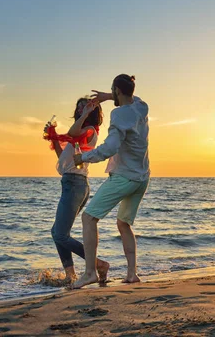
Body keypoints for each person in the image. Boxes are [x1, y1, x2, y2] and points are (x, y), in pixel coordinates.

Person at [72, 74, 150, 289]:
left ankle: (89, 273)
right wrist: (110, 95)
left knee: (89, 218)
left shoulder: (118, 115)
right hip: (142, 176)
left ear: (117, 90)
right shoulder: (142, 107)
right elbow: (134, 98)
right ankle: (132, 274)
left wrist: (83, 157)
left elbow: (110, 147)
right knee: (123, 223)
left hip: (125, 176)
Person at [43, 97, 109, 284]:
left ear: (92, 111)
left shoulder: (89, 131)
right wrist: (53, 136)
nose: (80, 108)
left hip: (75, 184)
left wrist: (86, 113)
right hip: (72, 183)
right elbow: (62, 157)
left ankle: (99, 264)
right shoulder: (77, 136)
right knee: (56, 231)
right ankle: (70, 275)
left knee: (60, 234)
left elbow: (73, 131)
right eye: (79, 106)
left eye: (85, 106)